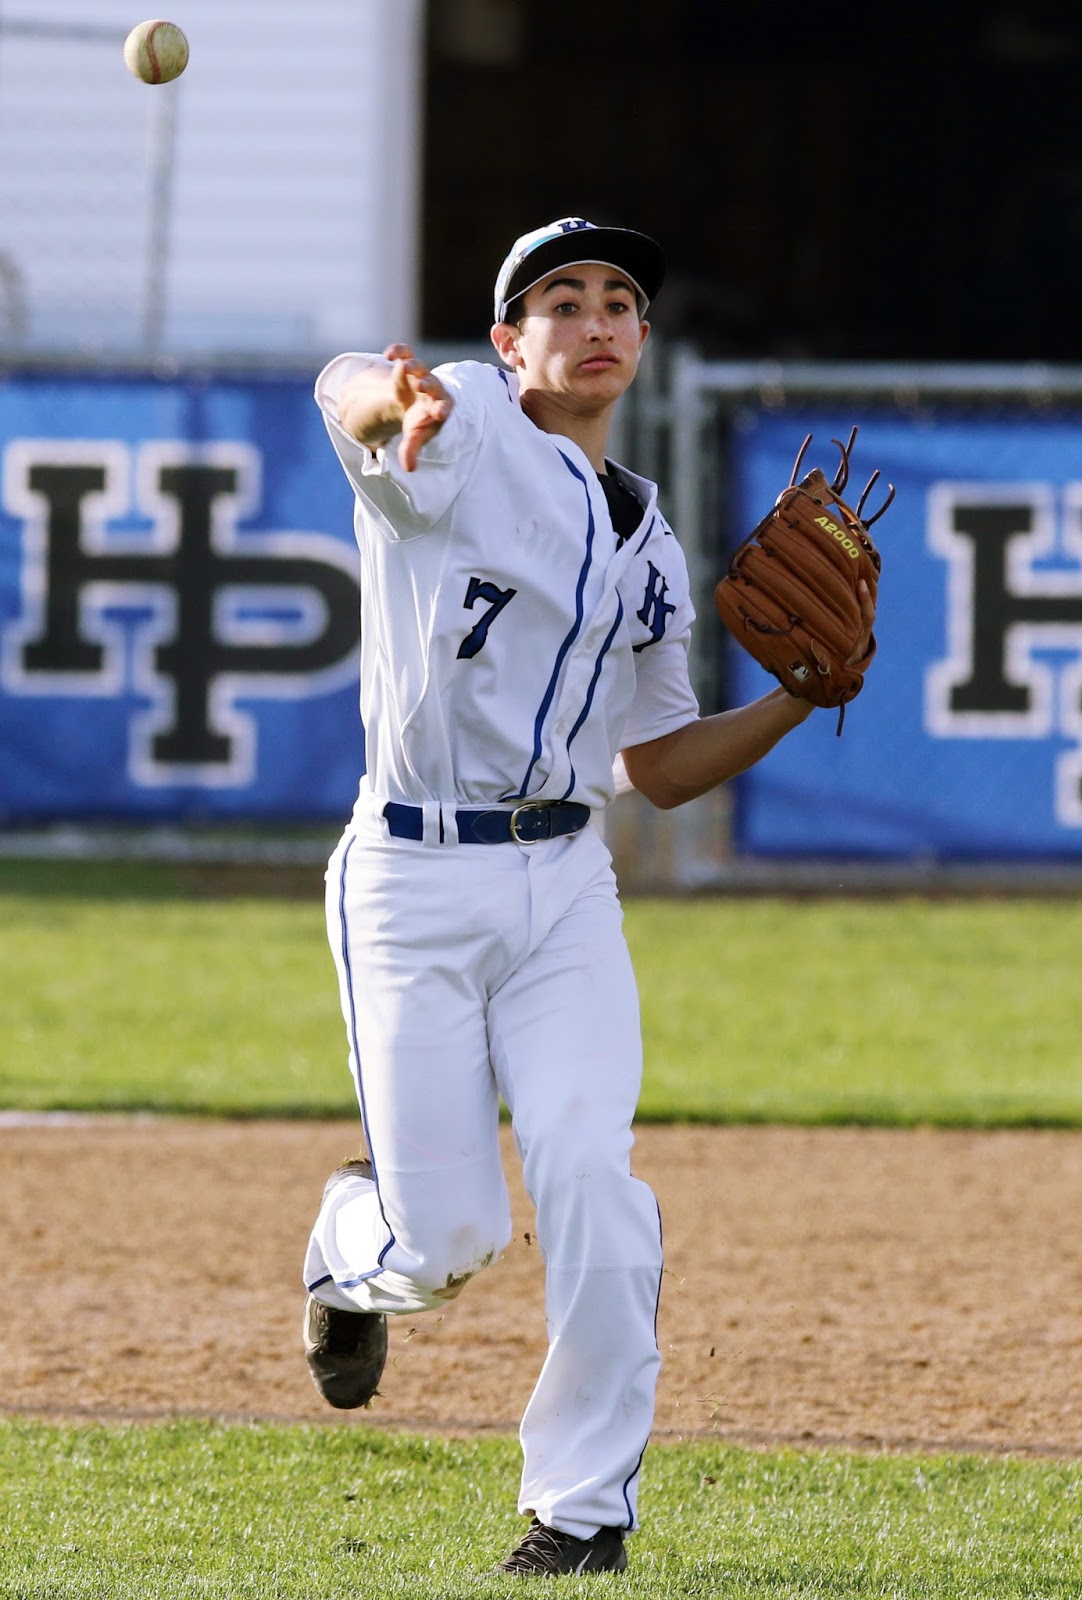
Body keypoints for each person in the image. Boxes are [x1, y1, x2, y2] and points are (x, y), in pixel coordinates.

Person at [301, 216, 875, 1577]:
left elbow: (657, 768)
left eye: (621, 300)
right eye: (562, 300)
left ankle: (580, 1511)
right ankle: (347, 1249)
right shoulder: (461, 431)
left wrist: (796, 701)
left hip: (566, 881)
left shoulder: (653, 544)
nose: (598, 319)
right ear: (511, 343)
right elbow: (344, 387)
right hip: (411, 878)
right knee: (445, 1245)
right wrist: (391, 401)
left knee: (590, 1176)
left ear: (646, 339)